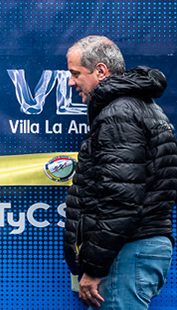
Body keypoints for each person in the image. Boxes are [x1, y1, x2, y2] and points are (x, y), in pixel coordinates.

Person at [63, 36, 177, 310]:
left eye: (75, 73)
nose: (70, 82)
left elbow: (120, 200)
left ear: (100, 71)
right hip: (135, 249)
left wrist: (94, 268)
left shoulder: (119, 113)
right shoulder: (139, 107)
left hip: (128, 251)